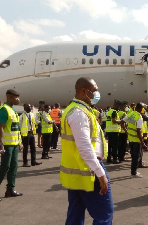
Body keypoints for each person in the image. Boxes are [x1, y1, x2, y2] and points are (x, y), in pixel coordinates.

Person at [60, 77, 113, 224]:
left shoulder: (75, 109)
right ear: (84, 91)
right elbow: (84, 147)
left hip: (75, 171)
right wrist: (100, 173)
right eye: (95, 90)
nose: (97, 93)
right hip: (89, 170)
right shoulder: (79, 113)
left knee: (75, 215)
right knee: (104, 216)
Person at [0, 89, 23, 200]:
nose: (17, 99)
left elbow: (16, 129)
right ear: (9, 97)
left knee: (14, 167)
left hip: (14, 145)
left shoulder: (13, 110)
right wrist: (1, 144)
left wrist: (20, 142)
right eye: (15, 97)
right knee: (5, 167)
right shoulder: (4, 110)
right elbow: (0, 128)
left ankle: (10, 190)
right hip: (6, 145)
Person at [123, 103, 148, 178]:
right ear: (141, 109)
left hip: (130, 139)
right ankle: (134, 173)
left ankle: (133, 171)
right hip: (136, 140)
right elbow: (138, 131)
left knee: (133, 156)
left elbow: (122, 122)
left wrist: (126, 131)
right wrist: (142, 142)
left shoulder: (130, 114)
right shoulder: (139, 117)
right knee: (136, 157)